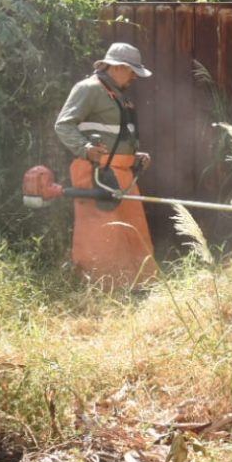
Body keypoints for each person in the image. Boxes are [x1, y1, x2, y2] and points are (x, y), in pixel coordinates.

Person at [54, 42, 158, 287]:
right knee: (102, 235)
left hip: (122, 173)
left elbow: (114, 137)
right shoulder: (88, 89)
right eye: (132, 71)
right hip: (96, 173)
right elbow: (63, 125)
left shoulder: (117, 94)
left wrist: (134, 156)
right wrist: (85, 148)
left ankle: (138, 285)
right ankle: (101, 289)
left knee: (132, 231)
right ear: (118, 66)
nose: (134, 77)